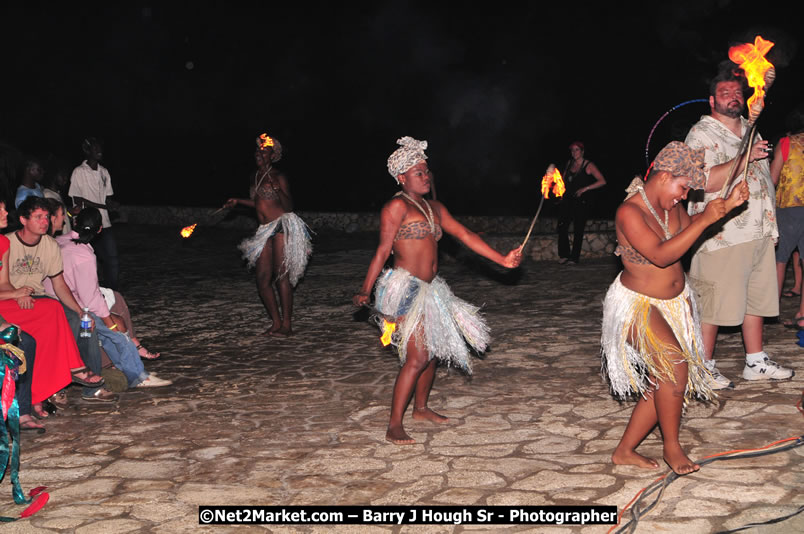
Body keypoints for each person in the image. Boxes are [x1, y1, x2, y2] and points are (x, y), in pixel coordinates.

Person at [353, 137, 522, 445]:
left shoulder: (435, 208)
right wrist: (366, 290)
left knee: (431, 356)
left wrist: (503, 260)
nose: (426, 176)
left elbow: (466, 235)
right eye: (419, 172)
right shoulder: (396, 207)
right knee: (417, 358)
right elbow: (382, 249)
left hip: (431, 289)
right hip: (404, 288)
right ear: (402, 177)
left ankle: (421, 408)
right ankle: (393, 424)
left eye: (427, 171)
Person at [604, 142, 749, 475]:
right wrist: (705, 221)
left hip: (673, 305)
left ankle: (624, 450)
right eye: (684, 187)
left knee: (661, 382)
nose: (685, 195)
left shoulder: (671, 208)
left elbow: (688, 231)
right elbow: (661, 254)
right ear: (665, 176)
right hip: (635, 305)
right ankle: (672, 447)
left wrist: (723, 208)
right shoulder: (630, 212)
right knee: (673, 367)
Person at [684, 65, 793, 388]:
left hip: (758, 228)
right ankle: (702, 366)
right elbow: (700, 180)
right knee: (714, 303)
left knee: (756, 300)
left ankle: (755, 361)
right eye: (724, 93)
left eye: (736, 92)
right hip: (722, 232)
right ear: (711, 100)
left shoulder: (750, 127)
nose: (733, 97)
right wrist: (745, 156)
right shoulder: (700, 134)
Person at [0, 198, 107, 423]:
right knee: (53, 316)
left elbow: (59, 285)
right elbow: (5, 285)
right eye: (39, 217)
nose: (45, 222)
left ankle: (90, 386)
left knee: (85, 324)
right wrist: (19, 295)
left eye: (47, 217)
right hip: (21, 301)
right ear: (23, 220)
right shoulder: (8, 242)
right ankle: (71, 373)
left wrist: (80, 311)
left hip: (39, 298)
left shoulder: (50, 244)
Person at [46, 208, 171, 388]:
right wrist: (110, 321)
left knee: (115, 306)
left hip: (65, 299)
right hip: (73, 306)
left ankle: (126, 368)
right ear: (99, 230)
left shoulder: (60, 241)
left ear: (74, 223)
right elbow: (90, 298)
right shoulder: (83, 255)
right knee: (118, 334)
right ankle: (140, 376)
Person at [224, 134, 311, 337]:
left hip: (281, 226)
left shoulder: (279, 176)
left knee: (282, 276)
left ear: (273, 155)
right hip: (264, 230)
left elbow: (289, 206)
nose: (259, 153)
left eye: (264, 150)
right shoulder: (255, 176)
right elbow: (258, 203)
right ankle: (276, 322)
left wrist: (278, 190)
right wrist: (237, 201)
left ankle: (287, 325)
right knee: (262, 279)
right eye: (258, 150)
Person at [69, 137, 119, 290]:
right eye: (95, 149)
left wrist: (111, 205)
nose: (99, 151)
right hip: (87, 223)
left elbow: (108, 196)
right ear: (87, 151)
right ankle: (90, 290)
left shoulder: (104, 172)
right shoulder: (79, 172)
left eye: (100, 148)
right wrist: (102, 205)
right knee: (87, 259)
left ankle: (113, 291)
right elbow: (77, 199)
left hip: (104, 222)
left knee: (112, 259)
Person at [769, 117, 804, 329]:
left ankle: (772, 311)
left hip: (789, 207)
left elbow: (772, 177)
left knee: (780, 259)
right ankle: (802, 314)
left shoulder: (787, 143)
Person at [556, 141, 606, 264]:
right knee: (562, 226)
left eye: (577, 150)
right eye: (572, 150)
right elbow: (562, 181)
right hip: (567, 199)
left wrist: (585, 189)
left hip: (581, 201)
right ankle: (564, 255)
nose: (574, 152)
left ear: (582, 151)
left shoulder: (588, 165)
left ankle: (574, 257)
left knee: (578, 229)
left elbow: (602, 181)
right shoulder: (569, 164)